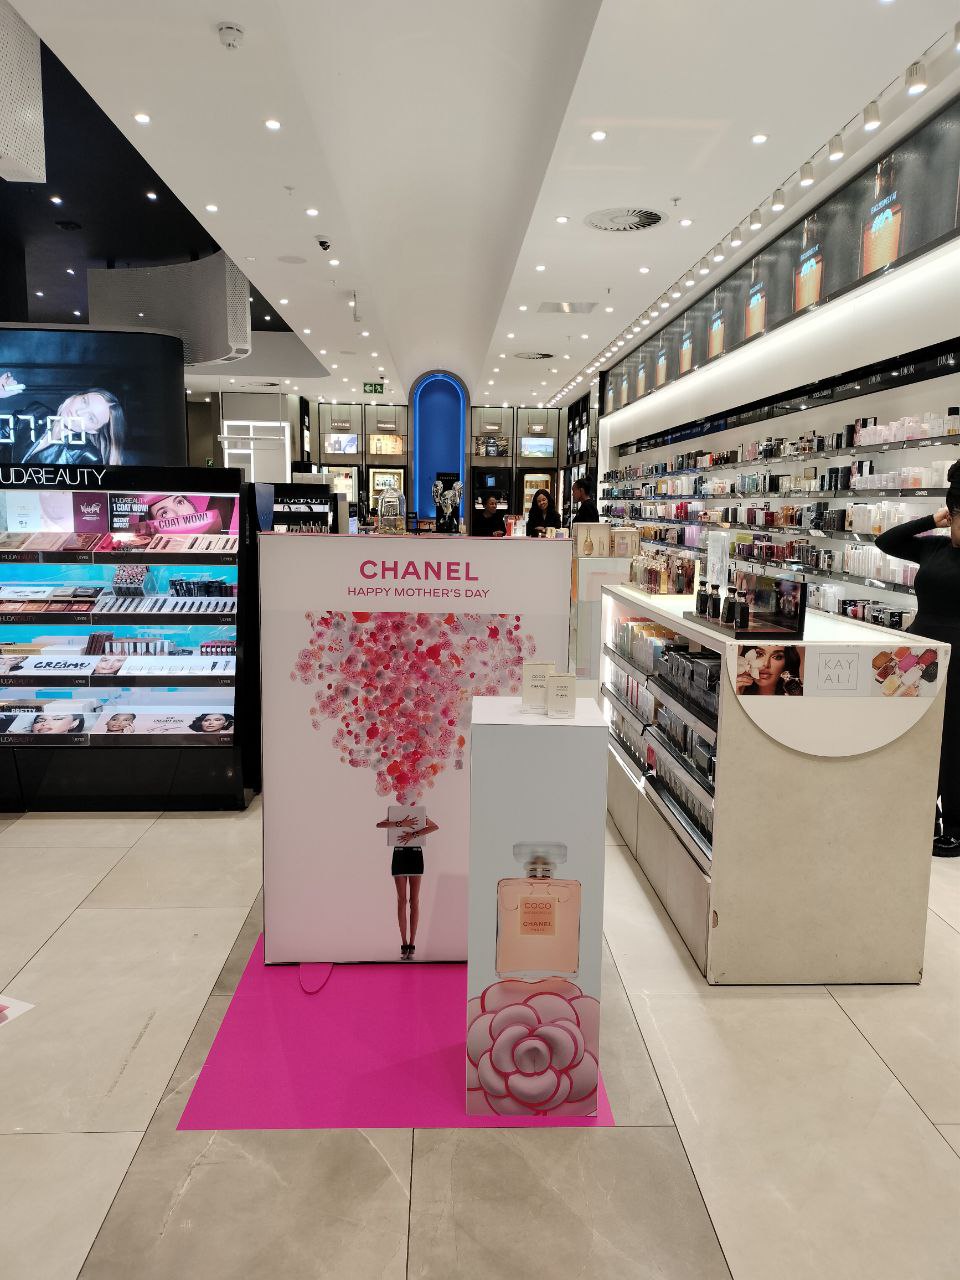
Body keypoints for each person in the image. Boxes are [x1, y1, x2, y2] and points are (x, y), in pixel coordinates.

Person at [876, 472, 960, 855]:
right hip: (920, 652)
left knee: (954, 740)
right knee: (915, 734)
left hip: (958, 657)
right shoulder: (933, 548)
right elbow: (885, 541)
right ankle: (922, 815)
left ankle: (955, 824)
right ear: (952, 515)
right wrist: (931, 520)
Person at [0, 374, 126, 465]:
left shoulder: (87, 457)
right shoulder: (36, 411)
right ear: (76, 396)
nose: (79, 412)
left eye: (91, 418)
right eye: (84, 401)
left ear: (94, 430)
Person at [376, 809, 439, 959]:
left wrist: (414, 834)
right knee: (402, 900)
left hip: (415, 854)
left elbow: (434, 826)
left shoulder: (419, 813)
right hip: (399, 853)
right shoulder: (396, 812)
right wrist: (400, 823)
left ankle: (412, 943)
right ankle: (404, 943)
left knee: (414, 900)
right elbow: (380, 824)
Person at [736, 645, 804, 696]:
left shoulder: (798, 696)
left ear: (787, 662)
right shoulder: (736, 690)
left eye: (777, 657)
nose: (766, 664)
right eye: (759, 654)